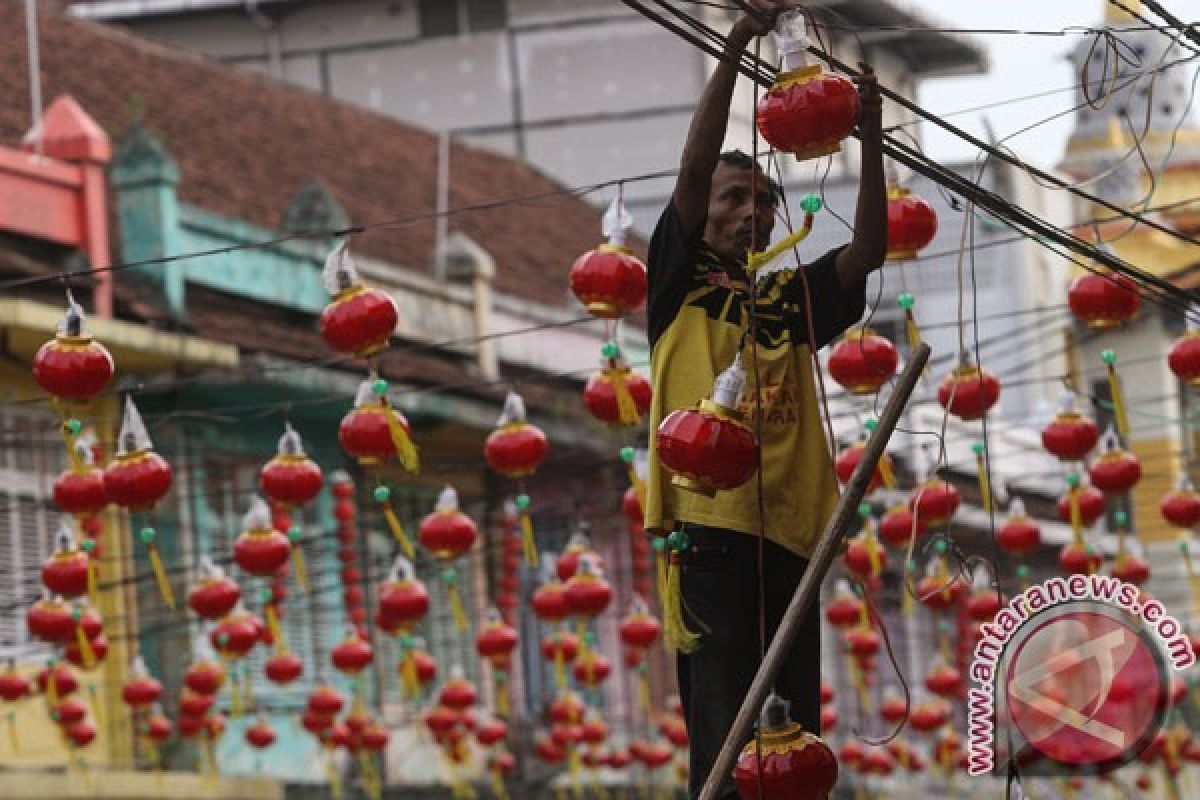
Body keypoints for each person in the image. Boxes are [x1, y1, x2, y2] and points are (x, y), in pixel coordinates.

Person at [641, 1, 887, 797]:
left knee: (789, 731)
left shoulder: (789, 297)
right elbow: (692, 169)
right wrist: (739, 41)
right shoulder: (679, 282)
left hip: (792, 532)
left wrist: (873, 139)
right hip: (709, 528)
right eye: (734, 199)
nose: (752, 212)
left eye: (764, 203)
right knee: (723, 733)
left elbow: (868, 253)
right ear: (701, 213)